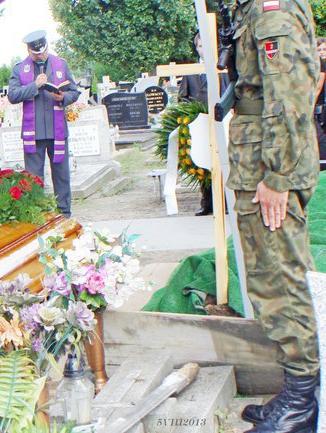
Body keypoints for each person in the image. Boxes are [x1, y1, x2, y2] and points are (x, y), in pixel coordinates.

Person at [226, 1, 321, 432]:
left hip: (268, 168)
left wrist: (278, 176)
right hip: (258, 162)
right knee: (271, 275)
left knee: (282, 277)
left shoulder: (272, 11)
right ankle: (297, 391)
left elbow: (290, 93)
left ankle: (303, 402)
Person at [8, 30, 80, 218]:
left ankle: (64, 214)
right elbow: (12, 95)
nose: (40, 56)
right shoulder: (19, 69)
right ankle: (37, 215)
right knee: (33, 179)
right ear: (29, 51)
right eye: (36, 53)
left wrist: (63, 97)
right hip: (34, 133)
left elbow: (74, 92)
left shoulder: (61, 64)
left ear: (47, 46)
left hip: (57, 131)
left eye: (43, 51)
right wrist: (35, 85)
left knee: (61, 175)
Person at [179, 33, 230, 216]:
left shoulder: (221, 69)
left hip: (218, 121)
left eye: (206, 46)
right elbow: (183, 96)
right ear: (196, 48)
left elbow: (227, 91)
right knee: (202, 161)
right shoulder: (191, 71)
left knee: (221, 161)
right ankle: (206, 202)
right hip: (199, 124)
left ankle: (224, 201)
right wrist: (191, 111)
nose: (203, 50)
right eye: (200, 46)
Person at [316, 37, 326, 169]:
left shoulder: (321, 64)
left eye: (324, 49)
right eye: (319, 49)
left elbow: (318, 87)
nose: (322, 52)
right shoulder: (318, 63)